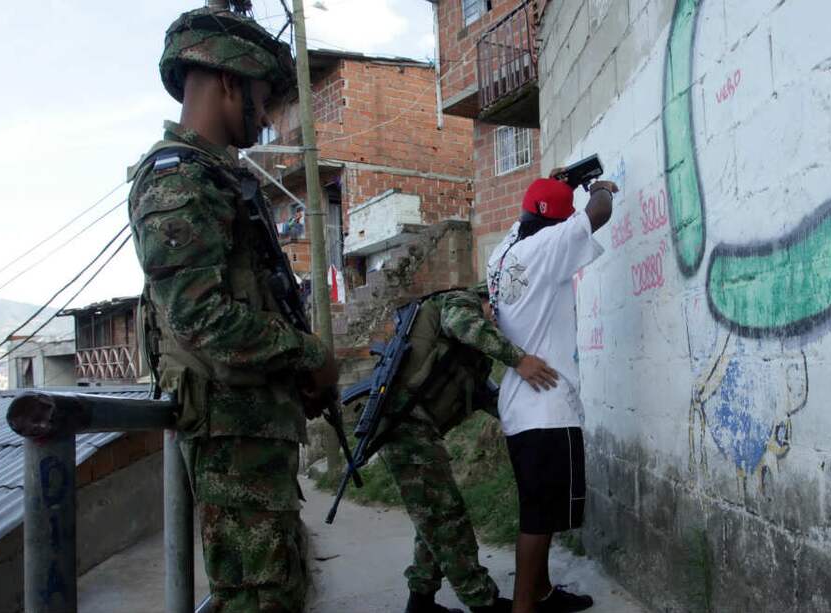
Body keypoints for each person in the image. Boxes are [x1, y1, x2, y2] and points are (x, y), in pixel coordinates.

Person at [128, 6, 337, 611]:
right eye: (263, 97)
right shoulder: (177, 180)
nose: (268, 115)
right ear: (227, 82)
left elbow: (248, 298)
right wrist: (307, 355)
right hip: (230, 437)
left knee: (275, 589)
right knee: (256, 598)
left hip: (249, 429)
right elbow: (200, 317)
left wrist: (292, 377)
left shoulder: (215, 178)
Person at [377, 284, 560, 613]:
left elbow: (491, 400)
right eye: (494, 316)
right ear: (488, 302)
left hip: (414, 429)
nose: (494, 324)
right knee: (447, 519)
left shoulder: (466, 358)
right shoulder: (460, 302)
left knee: (432, 518)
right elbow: (465, 325)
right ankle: (484, 602)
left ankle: (420, 602)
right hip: (404, 425)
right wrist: (519, 360)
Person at [486, 173, 617, 613]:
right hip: (547, 407)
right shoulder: (546, 248)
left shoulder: (502, 253)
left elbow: (535, 214)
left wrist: (559, 186)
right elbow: (598, 214)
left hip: (520, 406)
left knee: (538, 508)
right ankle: (523, 607)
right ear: (554, 225)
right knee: (539, 518)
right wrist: (601, 188)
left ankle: (540, 593)